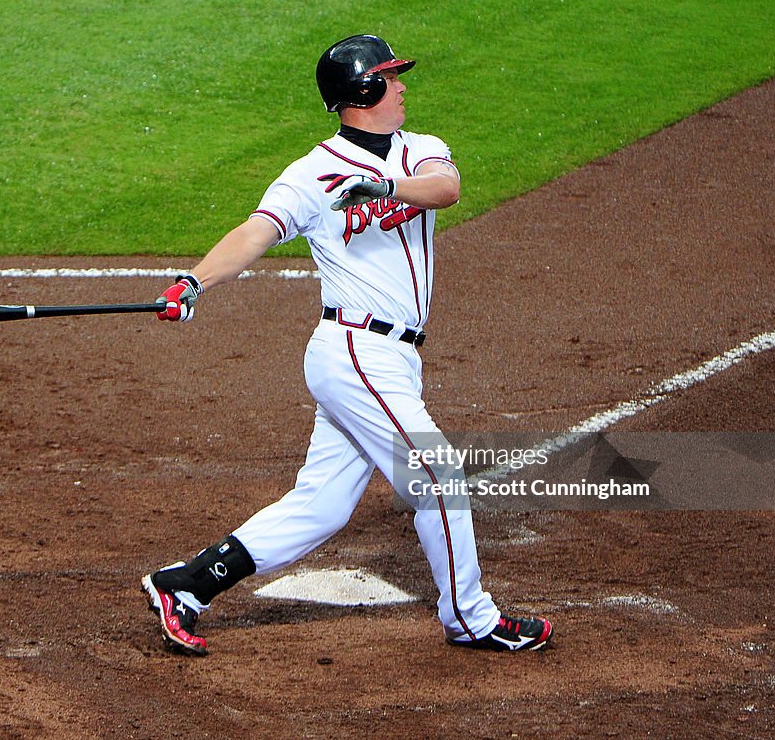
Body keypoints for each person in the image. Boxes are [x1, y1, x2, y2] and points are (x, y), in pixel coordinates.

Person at [141, 34, 552, 654]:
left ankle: (187, 585)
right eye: (391, 77)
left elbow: (446, 188)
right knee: (439, 480)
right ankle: (471, 617)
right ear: (363, 90)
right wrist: (195, 280)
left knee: (324, 504)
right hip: (355, 350)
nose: (403, 85)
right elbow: (255, 233)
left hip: (393, 358)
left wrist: (388, 189)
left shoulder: (421, 149)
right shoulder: (311, 175)